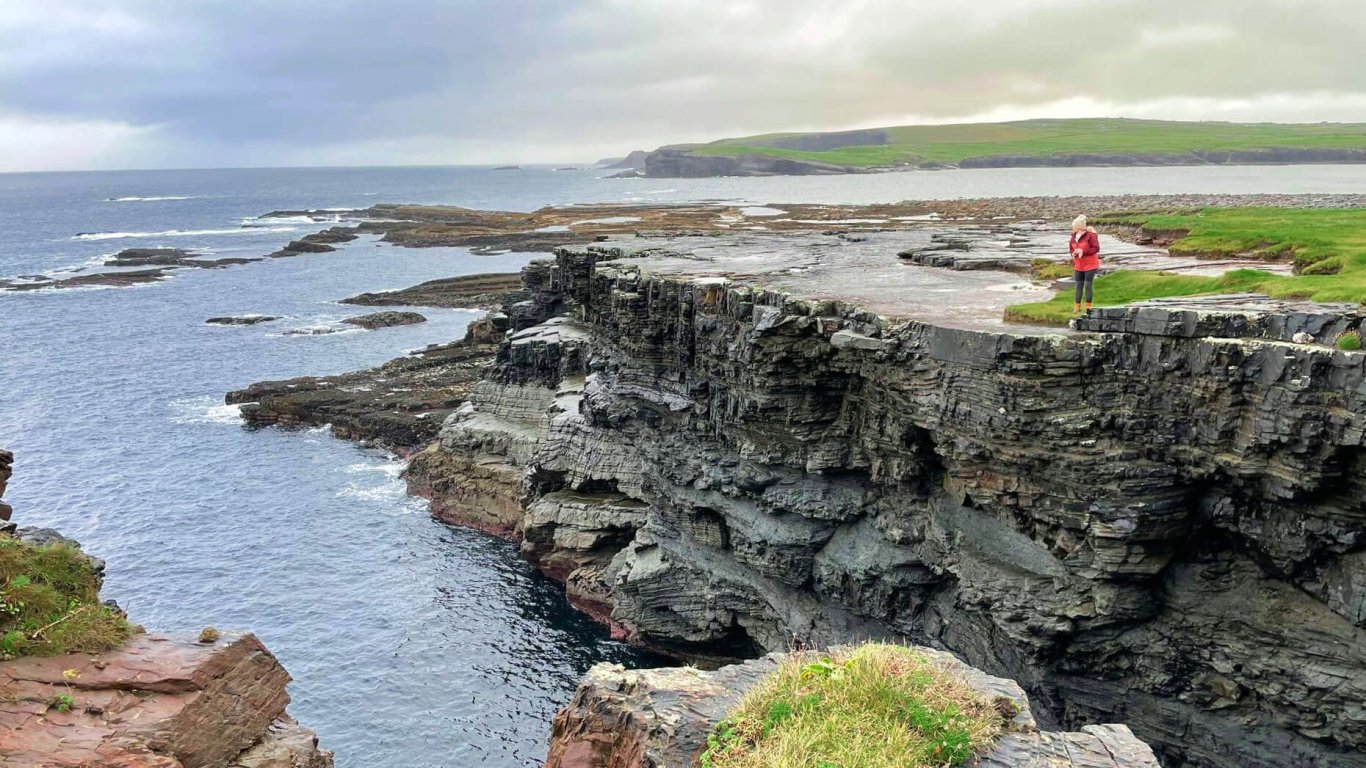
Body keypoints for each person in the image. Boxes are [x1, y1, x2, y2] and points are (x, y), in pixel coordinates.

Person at [1069, 214, 1100, 313]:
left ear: (1078, 227)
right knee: (1078, 285)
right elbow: (1071, 248)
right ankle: (1077, 307)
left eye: (1073, 226)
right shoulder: (1073, 237)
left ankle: (1088, 307)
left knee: (1087, 284)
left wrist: (1083, 251)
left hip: (1090, 264)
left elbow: (1096, 248)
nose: (1072, 228)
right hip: (1078, 265)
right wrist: (1073, 253)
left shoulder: (1091, 236)